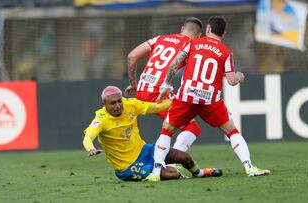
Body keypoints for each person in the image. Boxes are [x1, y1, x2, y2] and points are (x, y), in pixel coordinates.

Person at [146, 16, 271, 181]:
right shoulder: (226, 53)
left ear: (208, 29)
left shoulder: (192, 43)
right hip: (209, 99)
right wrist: (240, 76)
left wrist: (167, 85)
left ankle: (156, 173)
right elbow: (232, 81)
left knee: (167, 130)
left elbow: (174, 63)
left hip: (187, 96)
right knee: (232, 131)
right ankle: (249, 167)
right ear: (224, 34)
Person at [83, 86, 222, 181]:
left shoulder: (130, 105)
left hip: (144, 151)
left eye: (119, 101)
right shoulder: (101, 119)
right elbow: (88, 137)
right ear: (104, 103)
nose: (118, 105)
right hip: (127, 167)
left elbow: (157, 107)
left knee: (183, 157)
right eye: (113, 103)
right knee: (171, 174)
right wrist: (91, 149)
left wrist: (179, 100)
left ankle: (199, 173)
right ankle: (175, 173)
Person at [124, 17, 203, 152]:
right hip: (159, 93)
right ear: (199, 36)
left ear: (182, 29)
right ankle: (172, 162)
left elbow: (132, 56)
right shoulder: (191, 45)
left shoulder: (159, 39)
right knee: (192, 128)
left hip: (141, 91)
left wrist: (133, 83)